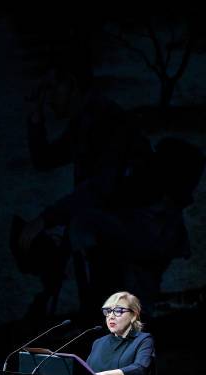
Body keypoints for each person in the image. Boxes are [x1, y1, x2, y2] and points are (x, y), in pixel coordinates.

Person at [19, 68, 156, 317]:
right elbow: (46, 159)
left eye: (52, 88)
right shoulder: (85, 120)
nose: (48, 97)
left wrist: (46, 219)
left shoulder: (103, 120)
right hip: (109, 221)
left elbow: (99, 189)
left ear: (71, 85)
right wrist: (35, 118)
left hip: (129, 221)